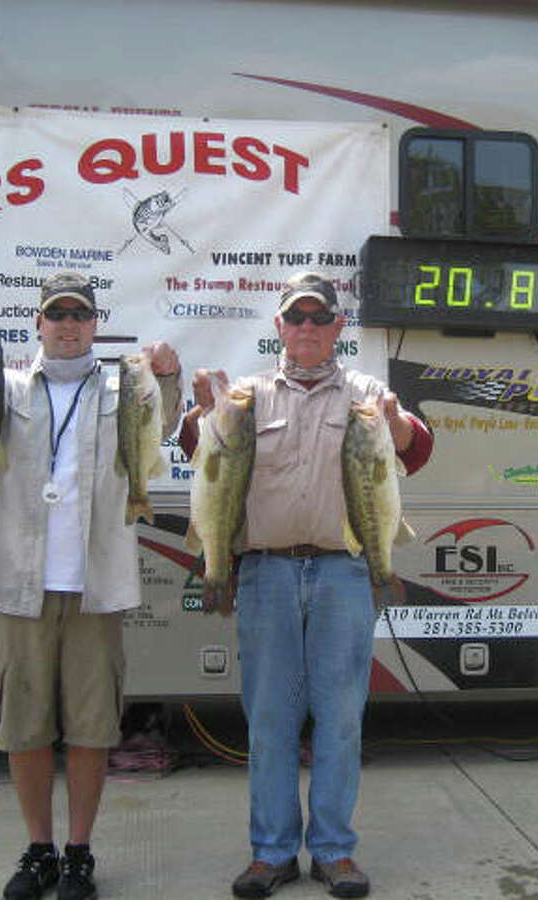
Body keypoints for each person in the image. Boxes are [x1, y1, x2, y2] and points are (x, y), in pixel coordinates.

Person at [180, 271, 433, 898]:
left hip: (345, 572)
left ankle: (333, 851)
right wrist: (202, 406)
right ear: (280, 327)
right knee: (269, 719)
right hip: (265, 572)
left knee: (340, 719)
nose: (308, 328)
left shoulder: (366, 393)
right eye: (297, 317)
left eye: (320, 317)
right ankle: (271, 853)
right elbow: (197, 449)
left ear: (339, 326)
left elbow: (415, 448)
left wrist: (395, 421)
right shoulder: (247, 395)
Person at [0, 271, 182, 900]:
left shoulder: (121, 387)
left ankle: (78, 851)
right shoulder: (5, 384)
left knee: (91, 727)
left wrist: (166, 376)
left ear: (95, 324)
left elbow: (161, 426)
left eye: (80, 314)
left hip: (94, 587)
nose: (69, 324)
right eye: (58, 314)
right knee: (22, 727)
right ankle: (37, 850)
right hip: (16, 583)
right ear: (39, 323)